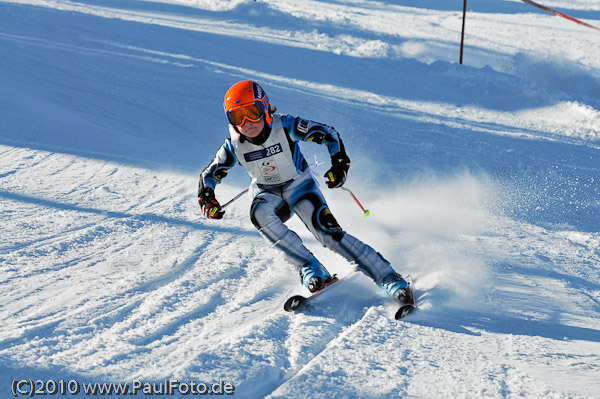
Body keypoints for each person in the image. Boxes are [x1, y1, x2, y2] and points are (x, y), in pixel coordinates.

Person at [198, 80, 411, 304]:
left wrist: (339, 164)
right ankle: (310, 268)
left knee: (327, 233)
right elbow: (208, 176)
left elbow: (328, 134)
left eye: (253, 112)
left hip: (299, 185)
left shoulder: (285, 126)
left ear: (265, 108)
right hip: (267, 194)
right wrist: (207, 199)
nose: (247, 123)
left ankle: (388, 276)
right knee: (258, 212)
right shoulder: (233, 146)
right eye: (237, 117)